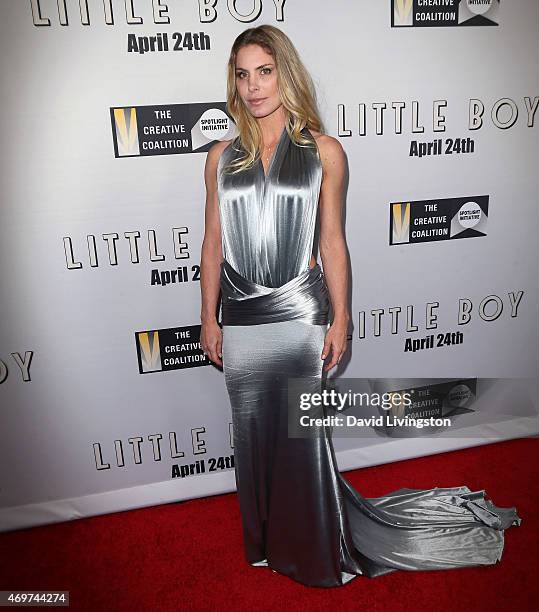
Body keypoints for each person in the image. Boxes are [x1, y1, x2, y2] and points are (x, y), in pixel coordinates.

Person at [199, 25, 521, 588]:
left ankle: (317, 543)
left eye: (265, 71)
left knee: (303, 436)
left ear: (287, 74)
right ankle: (267, 541)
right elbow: (211, 243)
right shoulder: (220, 158)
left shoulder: (325, 152)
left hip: (301, 315)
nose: (253, 87)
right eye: (243, 75)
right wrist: (208, 317)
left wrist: (341, 318)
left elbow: (332, 242)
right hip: (243, 318)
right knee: (252, 434)